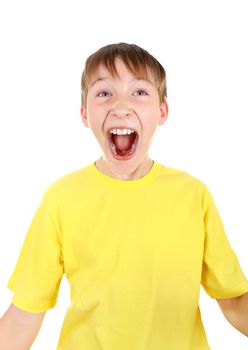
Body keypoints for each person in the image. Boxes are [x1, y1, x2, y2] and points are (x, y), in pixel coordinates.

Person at [0, 42, 247, 350]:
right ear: (84, 114)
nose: (120, 104)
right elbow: (23, 316)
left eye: (139, 92)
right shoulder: (61, 199)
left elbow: (235, 299)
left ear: (162, 111)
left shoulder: (192, 195)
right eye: (104, 93)